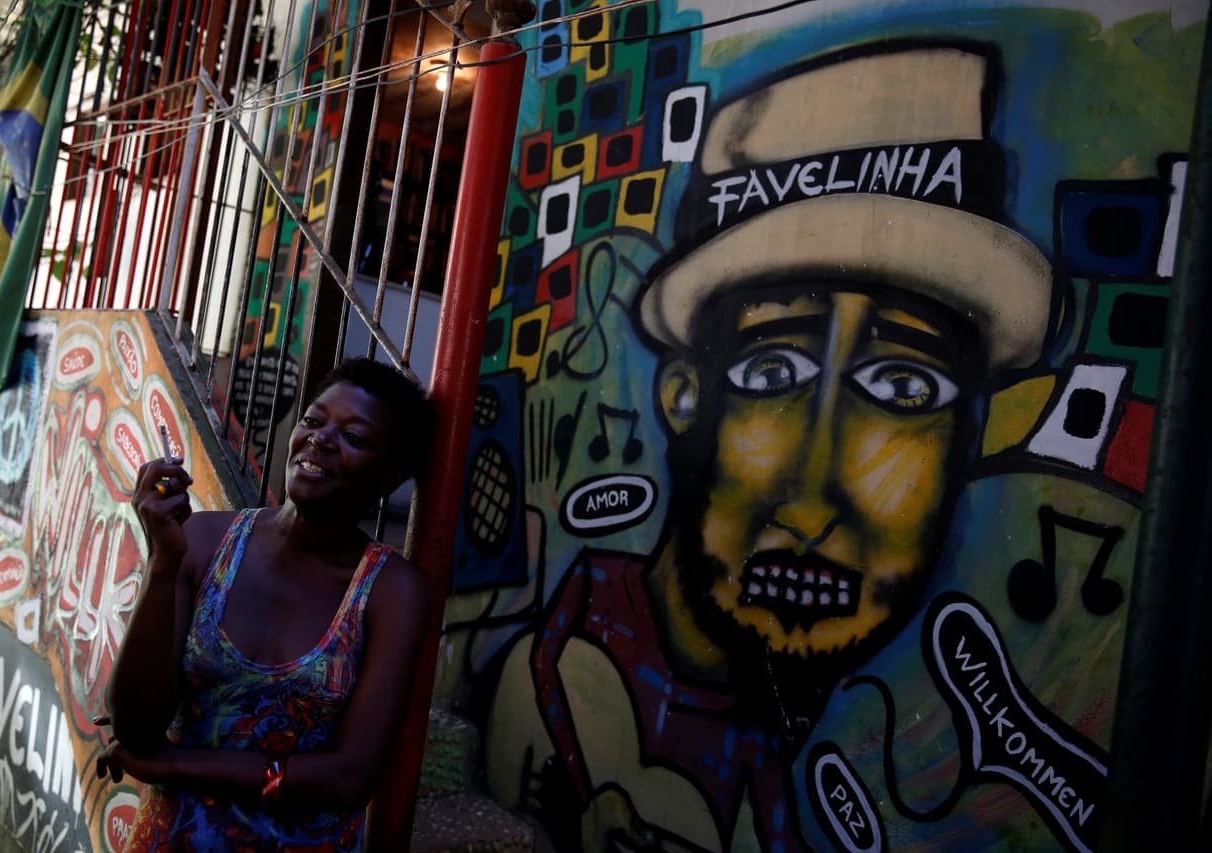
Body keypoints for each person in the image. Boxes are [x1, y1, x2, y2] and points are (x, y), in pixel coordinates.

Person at [487, 43, 1060, 850]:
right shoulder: (555, 681)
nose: (811, 501)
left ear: (973, 436)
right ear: (683, 397)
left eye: (904, 387)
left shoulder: (795, 746)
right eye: (771, 370)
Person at [99, 357, 435, 852]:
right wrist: (162, 564)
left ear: (391, 476)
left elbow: (348, 778)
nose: (320, 439)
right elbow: (134, 724)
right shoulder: (204, 542)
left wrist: (176, 764)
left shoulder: (389, 591)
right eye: (314, 420)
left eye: (353, 437)